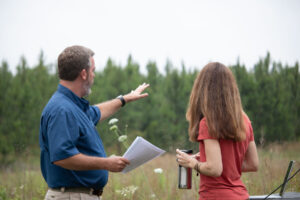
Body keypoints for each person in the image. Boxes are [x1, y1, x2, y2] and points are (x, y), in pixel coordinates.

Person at [39, 45, 149, 200]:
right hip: (71, 196)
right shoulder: (62, 110)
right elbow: (62, 157)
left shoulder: (72, 106)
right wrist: (105, 163)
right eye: (93, 70)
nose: (94, 75)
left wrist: (124, 99)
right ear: (84, 74)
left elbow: (96, 112)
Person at [176, 62, 259, 200]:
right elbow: (253, 164)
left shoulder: (207, 122)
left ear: (203, 89)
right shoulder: (244, 120)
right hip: (241, 196)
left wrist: (192, 162)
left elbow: (215, 169)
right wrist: (206, 160)